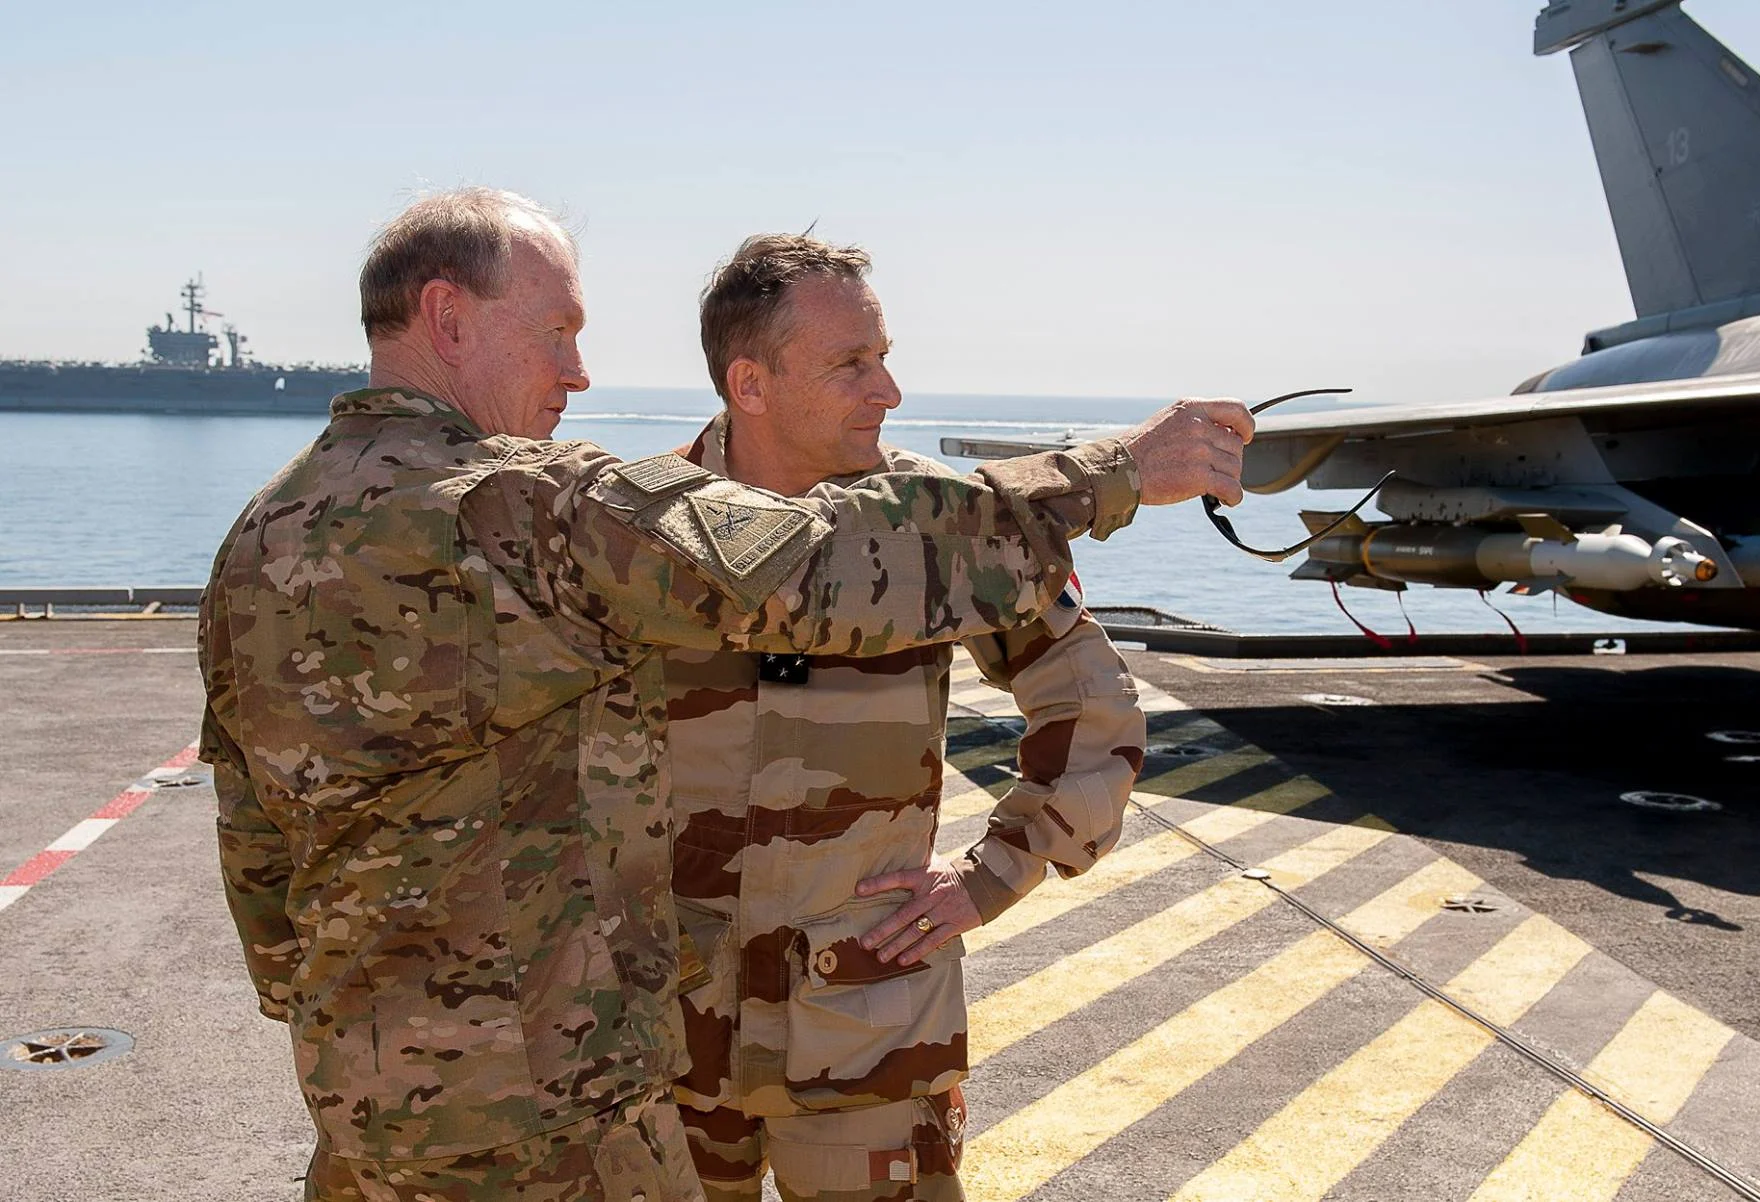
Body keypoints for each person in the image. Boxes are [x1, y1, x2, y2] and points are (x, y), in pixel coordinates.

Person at [200, 188, 1251, 1202]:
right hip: (607, 1078)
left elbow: (253, 829)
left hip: (809, 1032)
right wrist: (1115, 469)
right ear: (446, 316)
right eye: (557, 330)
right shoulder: (555, 519)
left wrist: (985, 881)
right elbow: (804, 565)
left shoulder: (259, 533)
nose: (579, 369)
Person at [662, 235, 1150, 1201]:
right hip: (663, 1032)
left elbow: (1093, 702)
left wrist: (996, 874)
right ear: (749, 384)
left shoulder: (947, 525)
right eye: (852, 364)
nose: (887, 390)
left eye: (882, 356)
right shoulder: (640, 528)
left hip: (867, 1029)